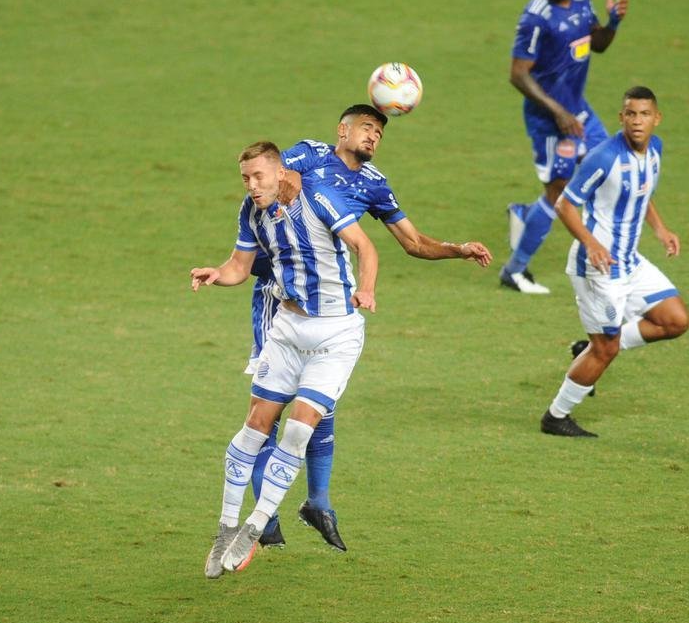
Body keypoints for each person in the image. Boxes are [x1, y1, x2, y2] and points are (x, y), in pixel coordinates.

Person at [246, 104, 492, 552]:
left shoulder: (374, 185)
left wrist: (459, 249)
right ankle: (265, 516)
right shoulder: (311, 154)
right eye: (366, 127)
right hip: (280, 297)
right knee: (273, 408)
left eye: (379, 131)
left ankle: (317, 502)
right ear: (343, 130)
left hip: (332, 308)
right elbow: (263, 180)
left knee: (319, 404)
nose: (374, 135)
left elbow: (413, 243)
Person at [191, 141, 379, 577]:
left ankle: (256, 526)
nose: (252, 186)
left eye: (258, 176)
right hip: (287, 329)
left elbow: (365, 247)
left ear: (279, 172)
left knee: (297, 429)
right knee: (254, 427)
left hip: (336, 333)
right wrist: (219, 274)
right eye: (245, 178)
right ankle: (225, 529)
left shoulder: (318, 197)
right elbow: (241, 266)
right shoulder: (251, 211)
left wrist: (366, 288)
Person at [540, 87, 689, 438]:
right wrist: (590, 243)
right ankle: (555, 416)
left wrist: (661, 229)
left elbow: (643, 193)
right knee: (605, 350)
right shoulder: (604, 157)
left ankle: (589, 349)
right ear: (621, 118)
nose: (638, 121)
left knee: (675, 320)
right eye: (631, 114)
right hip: (598, 267)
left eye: (644, 114)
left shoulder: (655, 150)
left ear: (657, 118)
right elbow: (565, 204)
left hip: (629, 262)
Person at [500, 0, 630, 295]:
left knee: (609, 169)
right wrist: (557, 112)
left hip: (578, 111)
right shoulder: (535, 18)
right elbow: (517, 74)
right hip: (550, 121)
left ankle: (524, 216)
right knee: (559, 197)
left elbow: (597, 43)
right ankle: (514, 271)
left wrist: (613, 21)